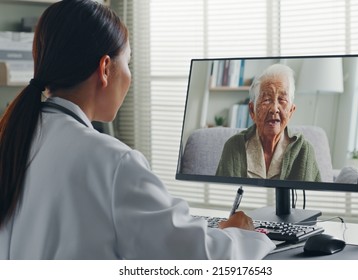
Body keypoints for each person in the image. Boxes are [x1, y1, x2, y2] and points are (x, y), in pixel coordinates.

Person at [0, 0, 275, 259]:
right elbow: (194, 257)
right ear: (106, 68)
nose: (129, 75)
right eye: (127, 63)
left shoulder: (15, 137)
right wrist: (241, 235)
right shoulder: (112, 162)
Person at [216, 64, 321, 181]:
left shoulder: (303, 150)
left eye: (282, 100)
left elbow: (310, 197)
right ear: (252, 110)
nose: (274, 108)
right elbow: (222, 195)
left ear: (291, 111)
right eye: (266, 100)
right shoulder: (234, 146)